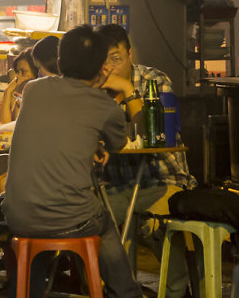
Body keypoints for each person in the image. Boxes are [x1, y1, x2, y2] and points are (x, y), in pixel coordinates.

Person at [1, 25, 142, 298]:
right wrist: (126, 89)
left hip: (17, 216)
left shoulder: (32, 90)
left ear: (60, 61)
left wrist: (90, 144)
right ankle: (128, 294)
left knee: (38, 231)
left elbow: (59, 128)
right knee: (104, 222)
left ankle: (28, 292)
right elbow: (123, 141)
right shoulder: (105, 106)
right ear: (102, 67)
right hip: (71, 217)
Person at [95, 24, 196, 298]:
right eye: (104, 61)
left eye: (116, 58)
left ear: (129, 54)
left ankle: (176, 293)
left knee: (157, 224)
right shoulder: (94, 89)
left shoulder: (154, 81)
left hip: (162, 178)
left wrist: (128, 90)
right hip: (114, 183)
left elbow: (155, 137)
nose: (110, 67)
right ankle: (112, 291)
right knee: (91, 220)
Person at [0, 48, 37, 123]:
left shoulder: (40, 97)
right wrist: (7, 91)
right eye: (17, 71)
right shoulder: (22, 95)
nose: (18, 76)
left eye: (23, 71)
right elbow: (5, 125)